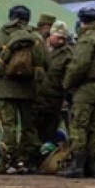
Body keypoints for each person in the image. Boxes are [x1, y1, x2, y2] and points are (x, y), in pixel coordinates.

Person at [0, 5, 47, 173]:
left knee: (9, 125)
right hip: (30, 89)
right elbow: (46, 62)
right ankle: (28, 160)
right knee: (29, 126)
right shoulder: (35, 36)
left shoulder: (1, 34)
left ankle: (9, 160)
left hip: (6, 88)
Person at [59, 8, 95, 178]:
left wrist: (67, 84)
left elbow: (79, 65)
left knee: (79, 126)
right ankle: (93, 166)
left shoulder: (87, 40)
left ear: (83, 22)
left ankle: (78, 165)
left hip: (86, 89)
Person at [36, 21, 73, 171]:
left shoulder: (67, 55)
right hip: (39, 100)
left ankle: (47, 162)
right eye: (57, 37)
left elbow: (68, 80)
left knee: (50, 133)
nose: (60, 41)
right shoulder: (42, 49)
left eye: (63, 38)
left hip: (54, 102)